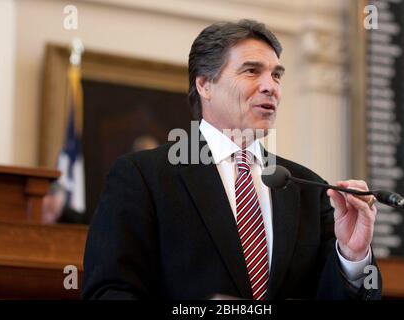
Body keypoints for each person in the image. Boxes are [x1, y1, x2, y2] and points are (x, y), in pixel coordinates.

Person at [82, 19, 382, 300]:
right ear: (205, 85)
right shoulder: (143, 176)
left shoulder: (309, 186)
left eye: (276, 75)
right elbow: (108, 291)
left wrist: (352, 257)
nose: (271, 87)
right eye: (252, 71)